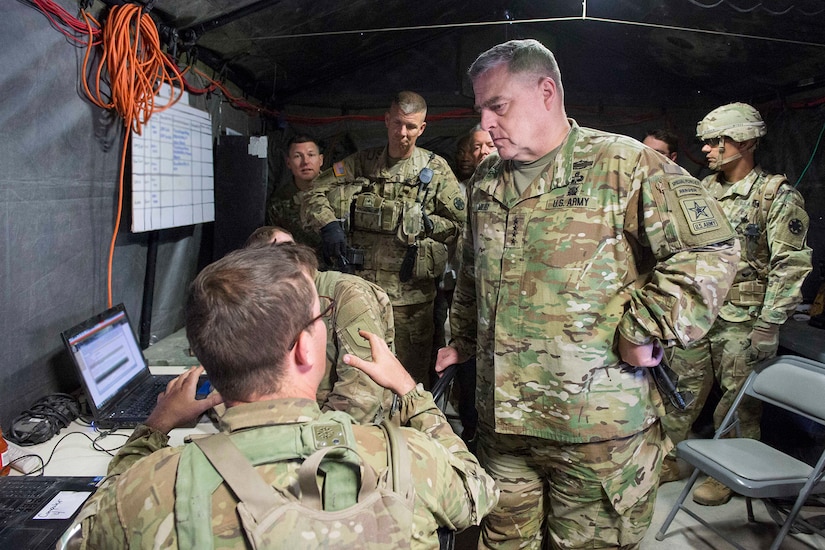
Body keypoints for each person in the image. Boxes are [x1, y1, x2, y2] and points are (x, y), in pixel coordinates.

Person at [436, 39, 740, 549]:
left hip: (596, 431)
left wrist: (647, 324)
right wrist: (461, 339)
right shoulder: (486, 181)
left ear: (547, 92)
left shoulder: (623, 164)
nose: (485, 123)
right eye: (480, 109)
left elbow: (712, 250)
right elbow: (472, 271)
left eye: (498, 106)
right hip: (504, 426)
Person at [66, 244, 498, 549]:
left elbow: (87, 532)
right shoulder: (406, 459)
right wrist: (408, 389)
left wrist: (154, 427)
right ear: (305, 348)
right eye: (319, 316)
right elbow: (477, 489)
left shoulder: (149, 490)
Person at [661, 102, 812, 506]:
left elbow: (790, 263)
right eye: (706, 142)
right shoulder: (703, 190)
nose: (707, 150)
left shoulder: (774, 197)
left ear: (744, 141)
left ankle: (726, 473)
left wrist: (769, 323)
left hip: (743, 319)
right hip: (699, 312)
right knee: (680, 391)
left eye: (716, 141)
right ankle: (673, 457)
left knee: (737, 402)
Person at [301, 91, 466, 388]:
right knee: (360, 373)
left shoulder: (437, 171)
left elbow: (459, 226)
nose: (403, 133)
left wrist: (425, 222)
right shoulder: (361, 163)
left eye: (411, 127)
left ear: (422, 128)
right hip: (362, 294)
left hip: (411, 302)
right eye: (398, 124)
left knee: (410, 379)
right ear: (386, 120)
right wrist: (329, 226)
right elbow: (314, 191)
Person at [245, 225, 396, 424]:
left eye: (289, 249)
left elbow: (362, 395)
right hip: (299, 415)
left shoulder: (347, 294)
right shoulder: (271, 299)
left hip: (350, 429)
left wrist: (311, 435)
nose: (285, 259)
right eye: (272, 256)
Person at [266, 134, 325, 260]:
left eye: (311, 155)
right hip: (301, 268)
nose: (305, 162)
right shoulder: (279, 203)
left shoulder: (340, 192)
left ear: (321, 160)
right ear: (288, 162)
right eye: (298, 156)